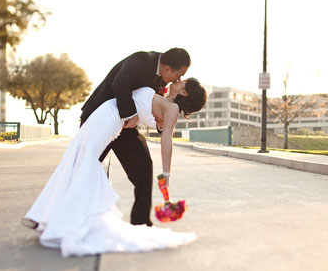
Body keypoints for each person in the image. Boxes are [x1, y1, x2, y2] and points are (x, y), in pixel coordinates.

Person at [23, 78, 207, 257]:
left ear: (184, 91)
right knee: (81, 161)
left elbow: (167, 139)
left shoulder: (171, 109)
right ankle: (54, 214)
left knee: (86, 162)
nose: (179, 79)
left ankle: (68, 218)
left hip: (115, 121)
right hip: (109, 115)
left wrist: (166, 172)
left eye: (183, 81)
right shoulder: (162, 93)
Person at [81, 48, 192, 226]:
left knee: (144, 166)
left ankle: (141, 222)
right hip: (103, 117)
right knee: (84, 166)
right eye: (179, 75)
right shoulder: (141, 60)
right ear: (168, 69)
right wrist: (131, 114)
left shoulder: (164, 88)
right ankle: (66, 212)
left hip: (124, 126)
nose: (177, 80)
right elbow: (120, 84)